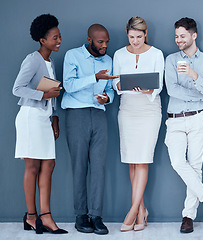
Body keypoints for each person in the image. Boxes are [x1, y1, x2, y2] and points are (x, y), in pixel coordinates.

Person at [164, 17, 203, 233]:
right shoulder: (170, 60)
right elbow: (172, 90)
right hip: (176, 119)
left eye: (182, 36)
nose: (178, 40)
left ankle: (188, 216)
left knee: (195, 167)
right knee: (178, 162)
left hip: (198, 118)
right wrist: (201, 93)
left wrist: (194, 75)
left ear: (193, 35)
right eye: (176, 36)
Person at [12, 14, 67, 235]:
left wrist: (54, 118)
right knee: (32, 167)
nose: (59, 41)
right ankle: (32, 216)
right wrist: (43, 95)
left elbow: (51, 92)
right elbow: (17, 88)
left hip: (44, 118)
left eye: (59, 36)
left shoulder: (50, 61)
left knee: (49, 166)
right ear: (42, 40)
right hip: (29, 117)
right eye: (55, 38)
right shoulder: (32, 59)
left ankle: (46, 215)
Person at [61, 24, 117, 235]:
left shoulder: (108, 60)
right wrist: (94, 78)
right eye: (100, 42)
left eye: (107, 42)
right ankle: (80, 215)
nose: (104, 46)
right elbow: (69, 85)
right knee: (79, 166)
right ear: (89, 39)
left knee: (99, 167)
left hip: (100, 114)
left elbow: (110, 89)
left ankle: (96, 215)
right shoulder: (73, 55)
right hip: (77, 114)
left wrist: (107, 97)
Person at [112, 16, 164, 232]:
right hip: (127, 110)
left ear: (146, 35)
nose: (135, 41)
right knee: (132, 161)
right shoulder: (119, 54)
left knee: (142, 160)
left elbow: (159, 83)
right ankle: (142, 211)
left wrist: (148, 89)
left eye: (139, 37)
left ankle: (132, 210)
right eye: (131, 37)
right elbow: (114, 82)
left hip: (149, 110)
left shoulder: (157, 54)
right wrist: (122, 84)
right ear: (127, 34)